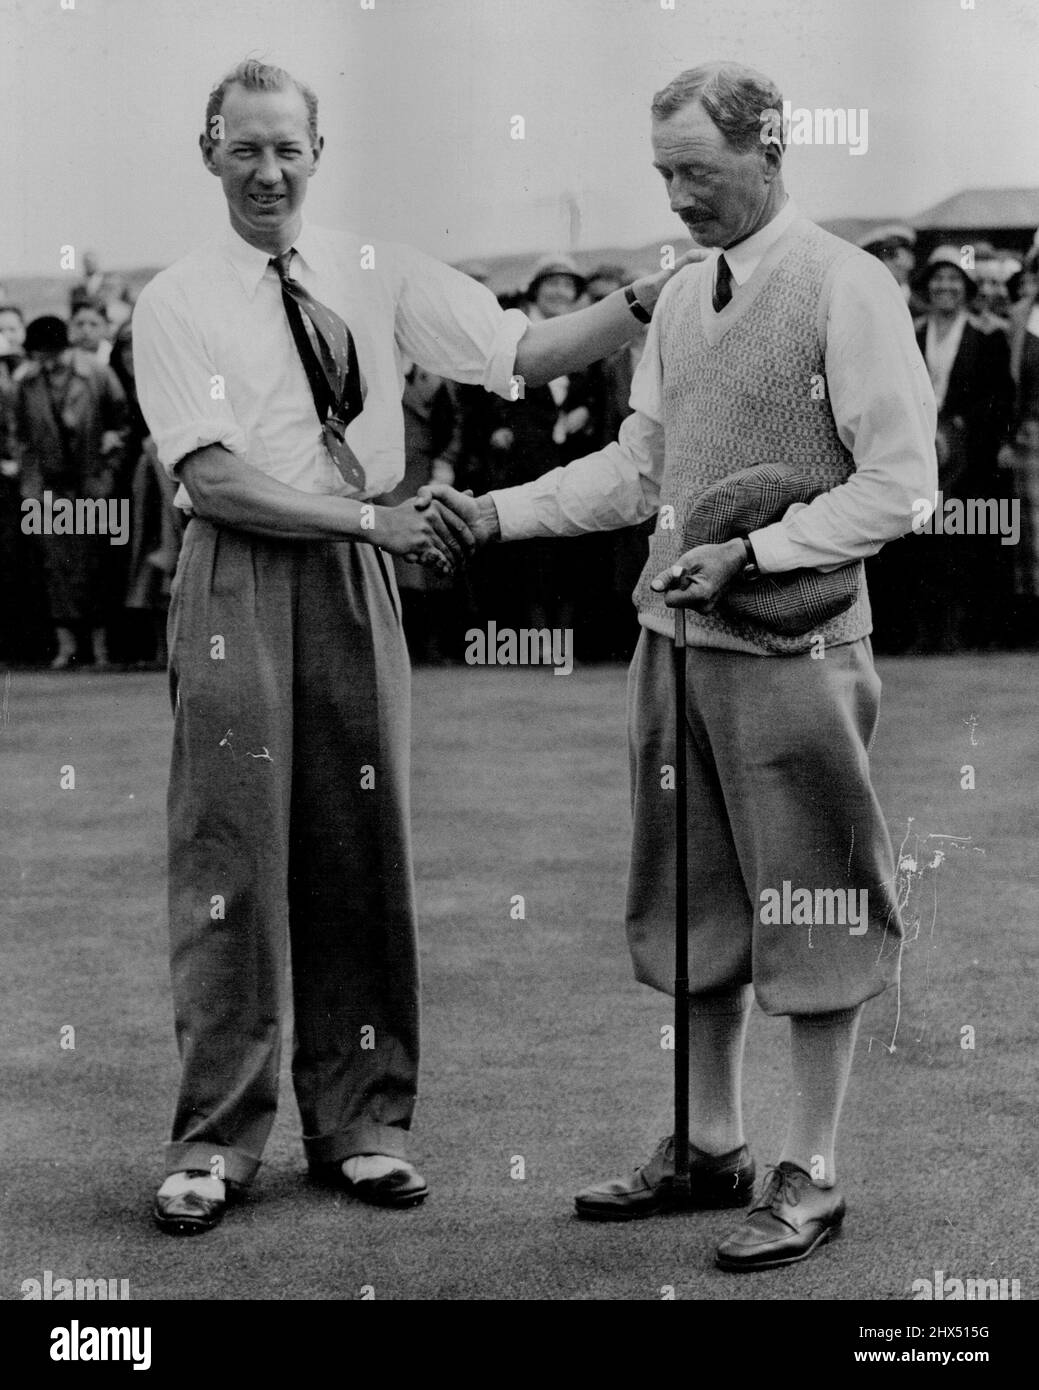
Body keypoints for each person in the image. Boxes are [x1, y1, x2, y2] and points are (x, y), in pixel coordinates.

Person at [131, 57, 699, 1236]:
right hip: (244, 564)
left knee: (358, 843)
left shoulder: (372, 263)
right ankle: (214, 1138)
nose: (267, 170)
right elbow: (215, 477)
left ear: (318, 153)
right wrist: (375, 522)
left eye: (287, 147)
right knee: (230, 854)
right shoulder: (175, 297)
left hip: (354, 573)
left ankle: (364, 1124)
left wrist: (652, 296)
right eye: (244, 147)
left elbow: (519, 350)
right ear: (209, 154)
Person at [425, 60, 936, 1272]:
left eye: (698, 173)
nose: (679, 196)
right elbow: (637, 469)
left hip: (796, 648)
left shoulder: (845, 286)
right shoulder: (678, 302)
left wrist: (755, 549)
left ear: (771, 151)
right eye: (663, 174)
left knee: (814, 900)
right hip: (677, 648)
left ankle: (808, 1173)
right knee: (695, 908)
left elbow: (905, 483)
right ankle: (708, 1144)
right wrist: (493, 515)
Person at [911, 247, 1013, 650]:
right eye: (938, 279)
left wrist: (957, 426)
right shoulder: (913, 332)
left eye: (955, 280)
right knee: (920, 539)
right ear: (927, 285)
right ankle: (922, 632)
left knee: (964, 536)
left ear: (967, 287)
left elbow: (999, 397)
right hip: (918, 453)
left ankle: (958, 631)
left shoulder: (986, 335)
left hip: (968, 456)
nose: (945, 287)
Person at [11, 315, 127, 668]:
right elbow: (22, 438)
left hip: (93, 485)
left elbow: (122, 424)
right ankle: (66, 648)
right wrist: (30, 488)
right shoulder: (27, 382)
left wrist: (108, 473)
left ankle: (101, 649)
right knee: (56, 568)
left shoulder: (97, 373)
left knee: (98, 566)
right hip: (48, 489)